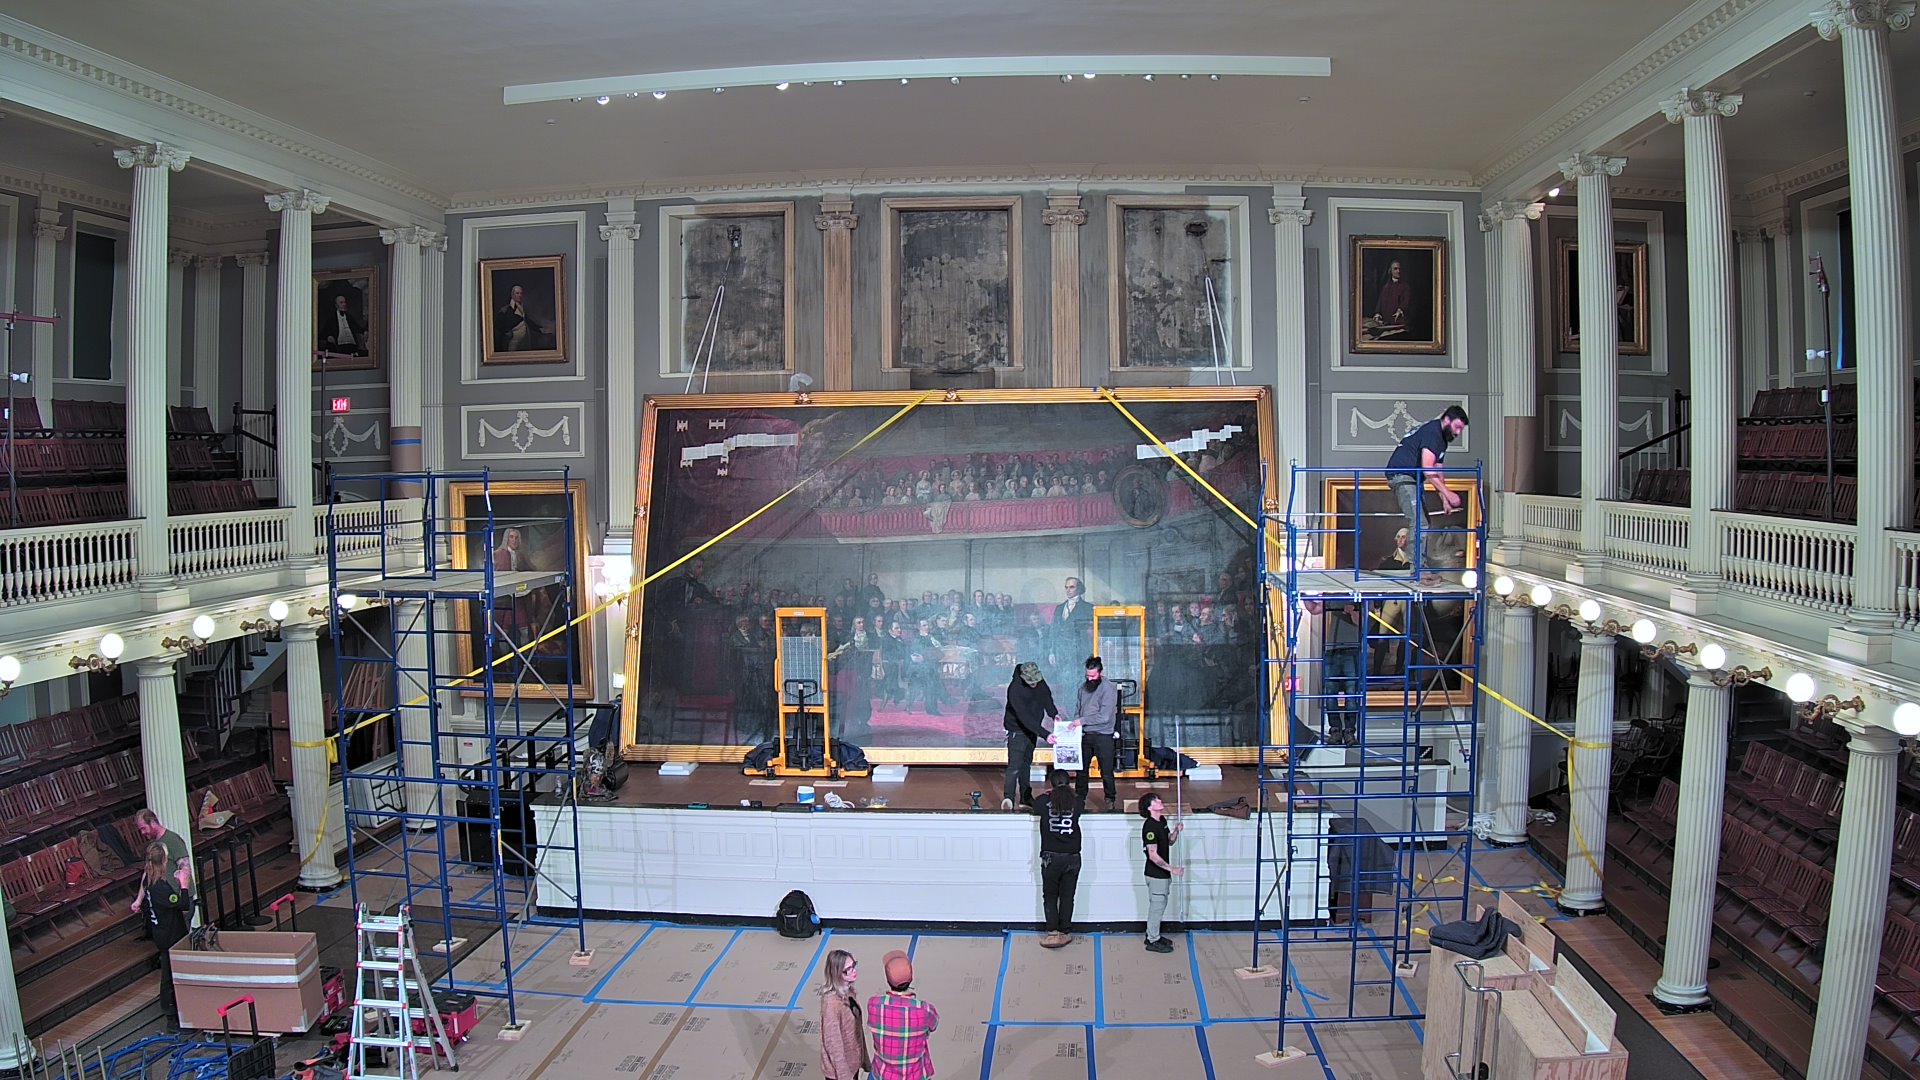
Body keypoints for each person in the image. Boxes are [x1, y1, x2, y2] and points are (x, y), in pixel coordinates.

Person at [1383, 405, 1467, 578]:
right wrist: (1449, 493)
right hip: (1403, 476)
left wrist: (1444, 499)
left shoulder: (1441, 439)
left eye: (1461, 429)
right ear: (1447, 420)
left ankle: (1420, 567)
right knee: (1419, 522)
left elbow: (1438, 470)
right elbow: (1428, 469)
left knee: (1424, 523)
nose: (1458, 432)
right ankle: (1418, 571)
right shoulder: (1432, 433)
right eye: (1457, 427)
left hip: (1412, 478)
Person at [136, 840, 195, 1022]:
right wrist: (183, 885)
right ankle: (170, 1010)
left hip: (160, 930)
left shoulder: (148, 880)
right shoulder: (160, 887)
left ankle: (177, 1004)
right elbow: (183, 904)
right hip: (170, 934)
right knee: (169, 973)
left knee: (171, 970)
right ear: (163, 861)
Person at [1031, 769, 1084, 948]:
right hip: (1072, 856)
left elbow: (1036, 803)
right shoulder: (1077, 801)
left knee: (1050, 896)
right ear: (1069, 782)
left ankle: (1053, 933)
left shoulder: (1044, 801)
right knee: (1068, 897)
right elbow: (1079, 801)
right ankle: (1065, 932)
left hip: (1051, 857)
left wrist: (1048, 794)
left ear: (1051, 784)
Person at [867, 950, 938, 1080]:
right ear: (911, 979)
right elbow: (934, 1024)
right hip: (916, 1075)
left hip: (884, 1075)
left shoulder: (874, 1005)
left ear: (887, 980)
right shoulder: (924, 1009)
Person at [1002, 661, 1059, 811]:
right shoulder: (1015, 689)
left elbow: (1046, 697)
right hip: (1017, 730)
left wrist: (1053, 714)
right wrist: (1045, 734)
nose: (1034, 684)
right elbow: (1024, 716)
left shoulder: (1039, 681)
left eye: (1036, 681)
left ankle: (1026, 798)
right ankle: (1008, 799)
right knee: (1014, 766)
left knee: (1026, 764)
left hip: (1032, 730)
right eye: (1031, 682)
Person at [1071, 656, 1120, 811]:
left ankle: (1110, 798)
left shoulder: (1108, 688)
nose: (1090, 679)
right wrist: (1075, 723)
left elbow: (1104, 717)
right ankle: (1080, 799)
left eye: (1093, 676)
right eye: (1088, 675)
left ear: (1100, 673)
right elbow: (1078, 709)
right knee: (1081, 770)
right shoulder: (1082, 688)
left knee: (1106, 770)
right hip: (1085, 735)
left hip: (1103, 735)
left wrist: (1082, 721)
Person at [1140, 793, 1184, 954]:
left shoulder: (1162, 821)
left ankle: (1153, 935)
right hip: (1155, 875)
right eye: (1155, 800)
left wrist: (1176, 831)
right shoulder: (1150, 827)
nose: (1159, 801)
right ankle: (1152, 939)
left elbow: (1169, 841)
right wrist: (1172, 869)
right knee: (1157, 908)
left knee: (1160, 905)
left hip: (1163, 875)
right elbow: (1153, 855)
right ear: (1149, 807)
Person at [819, 948, 870, 1080]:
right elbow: (833, 1044)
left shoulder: (849, 992)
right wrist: (844, 1076)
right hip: (841, 1071)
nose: (853, 971)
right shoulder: (831, 1004)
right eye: (848, 969)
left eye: (853, 965)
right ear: (836, 973)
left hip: (852, 1063)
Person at [494, 283, 554, 353]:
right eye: (517, 293)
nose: (520, 295)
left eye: (521, 293)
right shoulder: (505, 310)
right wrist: (508, 333)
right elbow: (498, 326)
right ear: (512, 295)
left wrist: (540, 329)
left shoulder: (521, 308)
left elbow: (527, 321)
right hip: (512, 342)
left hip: (524, 341)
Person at [133, 809, 191, 880]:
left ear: (152, 823)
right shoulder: (153, 844)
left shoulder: (172, 839)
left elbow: (185, 869)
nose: (142, 832)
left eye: (144, 828)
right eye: (140, 830)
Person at [318, 292, 369, 358]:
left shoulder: (350, 318)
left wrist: (365, 331)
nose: (344, 304)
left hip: (352, 346)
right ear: (336, 305)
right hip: (339, 346)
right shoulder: (331, 320)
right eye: (341, 303)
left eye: (344, 302)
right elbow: (323, 334)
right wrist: (328, 337)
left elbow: (358, 328)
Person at [1372, 259, 1412, 332]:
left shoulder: (1405, 287)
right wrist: (1377, 313)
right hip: (1385, 324)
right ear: (1390, 271)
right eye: (1395, 269)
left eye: (1399, 269)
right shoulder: (1386, 287)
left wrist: (1400, 309)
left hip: (1398, 324)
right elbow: (1380, 302)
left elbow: (1406, 302)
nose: (1398, 271)